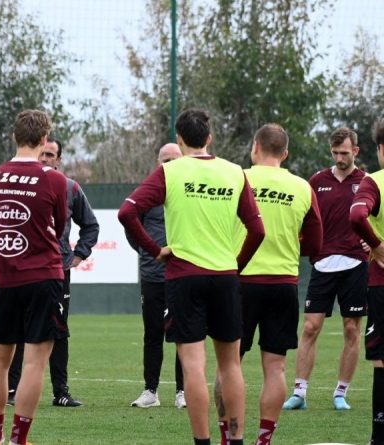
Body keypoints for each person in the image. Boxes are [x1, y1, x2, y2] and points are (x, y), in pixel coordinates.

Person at [119, 108, 265, 445]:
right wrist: (236, 265)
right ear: (210, 138)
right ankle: (237, 439)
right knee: (230, 366)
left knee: (194, 366)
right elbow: (257, 230)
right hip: (225, 276)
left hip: (184, 277)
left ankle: (202, 441)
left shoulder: (170, 171)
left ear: (179, 139)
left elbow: (128, 212)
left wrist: (156, 250)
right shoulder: (234, 172)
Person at [226, 124, 322, 445]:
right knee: (276, 368)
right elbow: (316, 244)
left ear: (255, 147)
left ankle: (229, 436)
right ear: (285, 153)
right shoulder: (302, 187)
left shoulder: (236, 177)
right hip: (283, 284)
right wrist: (292, 245)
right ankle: (263, 439)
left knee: (230, 364)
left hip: (240, 281)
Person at [0, 109, 69, 445]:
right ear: (45, 139)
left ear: (14, 136)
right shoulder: (53, 178)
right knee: (34, 361)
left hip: (5, 279)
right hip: (43, 276)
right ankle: (19, 439)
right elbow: (60, 226)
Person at [1, 137, 99, 408]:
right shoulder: (14, 183)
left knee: (58, 331)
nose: (44, 159)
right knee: (19, 329)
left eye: (50, 155)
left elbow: (90, 225)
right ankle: (11, 390)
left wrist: (79, 254)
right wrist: (0, 247)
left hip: (56, 271)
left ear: (59, 160)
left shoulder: (69, 188)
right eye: (42, 153)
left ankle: (61, 392)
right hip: (21, 268)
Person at [284, 127, 368, 411]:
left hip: (356, 264)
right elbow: (302, 219)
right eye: (335, 152)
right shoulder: (317, 181)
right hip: (322, 265)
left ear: (356, 151)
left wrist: (374, 243)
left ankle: (340, 393)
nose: (339, 157)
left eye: (344, 152)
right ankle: (299, 392)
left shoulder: (367, 182)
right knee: (310, 327)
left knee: (351, 330)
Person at [128, 143, 186, 409]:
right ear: (157, 162)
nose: (170, 164)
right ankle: (150, 391)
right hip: (152, 275)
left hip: (183, 274)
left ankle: (182, 392)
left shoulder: (190, 193)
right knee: (152, 334)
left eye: (175, 159)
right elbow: (132, 227)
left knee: (183, 335)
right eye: (165, 160)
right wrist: (149, 251)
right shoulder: (147, 193)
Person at [349, 118, 384, 445]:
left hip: (382, 284)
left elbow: (357, 216)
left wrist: (375, 244)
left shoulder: (374, 182)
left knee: (382, 360)